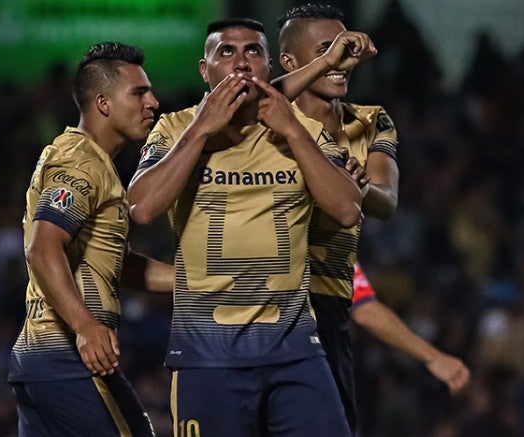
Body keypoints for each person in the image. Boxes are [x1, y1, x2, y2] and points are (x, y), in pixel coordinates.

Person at [127, 18, 363, 436]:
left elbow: (347, 210)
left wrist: (291, 128)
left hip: (294, 350)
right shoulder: (176, 129)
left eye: (253, 51)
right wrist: (202, 129)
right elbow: (141, 207)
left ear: (269, 67)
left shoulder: (302, 131)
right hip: (208, 355)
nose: (241, 62)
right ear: (205, 71)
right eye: (226, 52)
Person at [273, 3, 470, 433]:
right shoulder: (268, 121)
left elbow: (385, 201)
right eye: (327, 50)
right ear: (290, 62)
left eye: (346, 49)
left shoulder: (371, 121)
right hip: (264, 307)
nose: (343, 61)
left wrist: (432, 356)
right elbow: (251, 104)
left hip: (329, 311)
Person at [7, 41, 173, 436]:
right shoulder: (82, 164)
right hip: (68, 357)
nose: (153, 102)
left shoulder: (91, 162)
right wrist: (84, 326)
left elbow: (119, 265)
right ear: (103, 103)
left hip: (43, 360)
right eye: (139, 92)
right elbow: (42, 246)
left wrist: (197, 278)